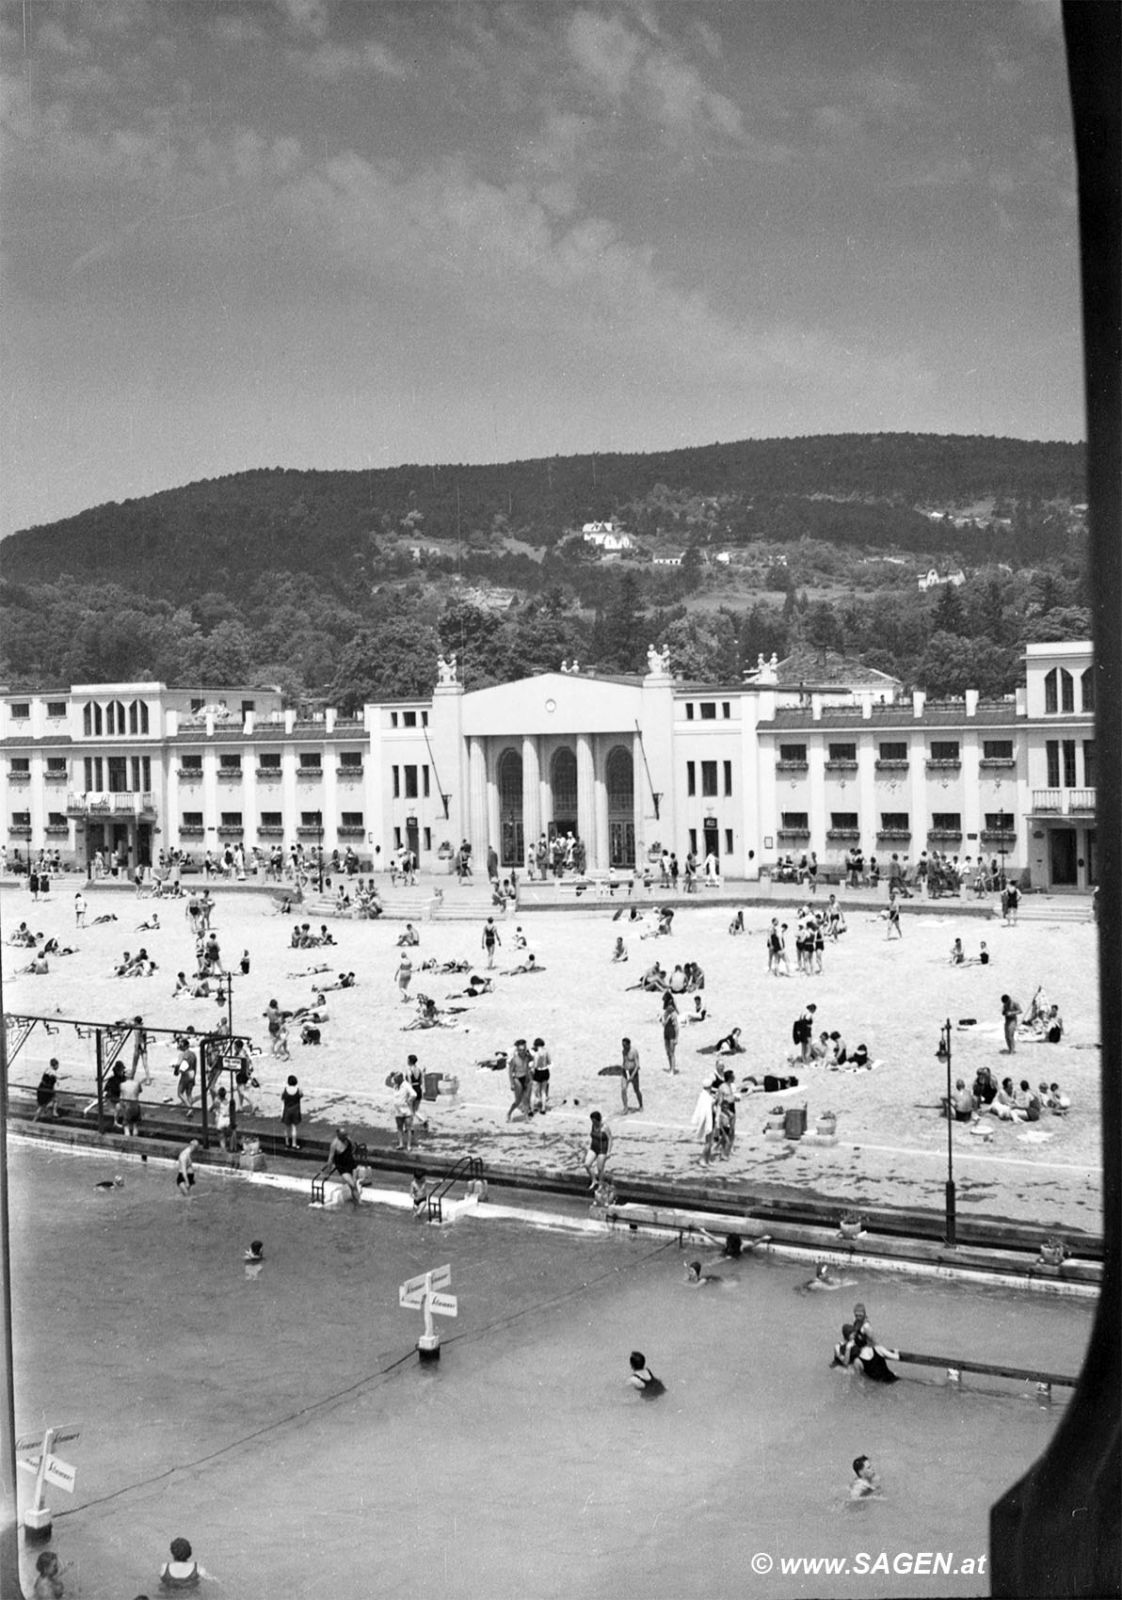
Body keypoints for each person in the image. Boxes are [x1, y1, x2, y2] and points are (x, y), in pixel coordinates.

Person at [320, 1127, 361, 1204]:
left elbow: (354, 1147)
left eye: (346, 1135)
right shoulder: (334, 1144)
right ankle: (359, 1203)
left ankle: (354, 1201)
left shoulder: (348, 1139)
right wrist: (327, 1173)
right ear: (339, 1136)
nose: (346, 1137)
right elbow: (330, 1159)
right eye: (344, 1135)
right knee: (352, 1185)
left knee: (354, 1184)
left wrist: (351, 1154)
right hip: (342, 1167)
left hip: (351, 1164)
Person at [584, 1111, 611, 1189]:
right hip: (593, 1147)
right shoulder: (593, 1125)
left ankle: (601, 1184)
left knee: (600, 1168)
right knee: (587, 1164)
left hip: (602, 1149)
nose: (593, 1122)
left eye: (594, 1121)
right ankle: (594, 1180)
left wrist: (608, 1152)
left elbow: (610, 1139)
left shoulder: (605, 1127)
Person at [392, 1074, 416, 1151]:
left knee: (408, 1128)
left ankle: (409, 1145)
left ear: (400, 1078)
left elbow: (414, 1094)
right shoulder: (395, 1086)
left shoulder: (406, 1085)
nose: (394, 1080)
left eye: (396, 1079)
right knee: (399, 1127)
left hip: (406, 1110)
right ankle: (401, 1144)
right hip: (398, 1110)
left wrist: (409, 1100)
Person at [620, 1036, 642, 1113]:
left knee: (636, 1090)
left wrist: (632, 1075)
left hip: (633, 1072)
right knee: (623, 1089)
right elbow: (624, 1061)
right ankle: (625, 1107)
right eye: (622, 1045)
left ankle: (641, 1105)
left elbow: (637, 1065)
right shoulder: (623, 1051)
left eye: (625, 1045)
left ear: (629, 1044)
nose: (623, 1047)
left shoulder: (634, 1051)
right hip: (625, 1072)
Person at [530, 1037, 552, 1114]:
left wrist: (532, 1069)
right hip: (545, 1071)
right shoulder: (546, 1052)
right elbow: (549, 1062)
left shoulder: (536, 1053)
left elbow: (535, 1065)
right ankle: (543, 1109)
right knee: (543, 1091)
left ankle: (532, 1110)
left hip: (538, 1072)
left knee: (533, 1092)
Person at [280, 1074, 302, 1148]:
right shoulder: (298, 1090)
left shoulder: (285, 1090)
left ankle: (287, 1142)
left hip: (287, 1110)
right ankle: (294, 1143)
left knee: (287, 1128)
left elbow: (282, 1098)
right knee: (294, 1128)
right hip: (295, 1110)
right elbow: (301, 1095)